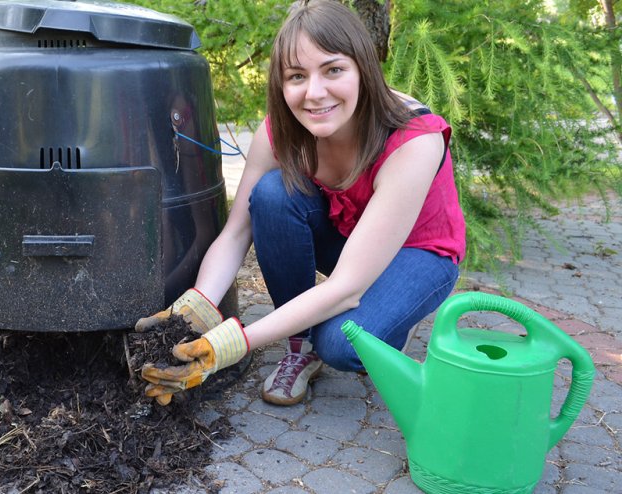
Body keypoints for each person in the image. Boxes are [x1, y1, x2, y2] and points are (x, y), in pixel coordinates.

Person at [136, 0, 466, 406]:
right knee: (273, 194)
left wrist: (228, 344)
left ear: (363, 66)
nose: (314, 93)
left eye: (333, 70)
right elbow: (236, 234)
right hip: (349, 238)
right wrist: (195, 310)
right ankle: (300, 347)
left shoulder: (412, 139)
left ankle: (388, 321)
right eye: (296, 76)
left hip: (418, 253)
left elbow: (346, 286)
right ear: (280, 82)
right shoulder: (283, 132)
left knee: (342, 345)